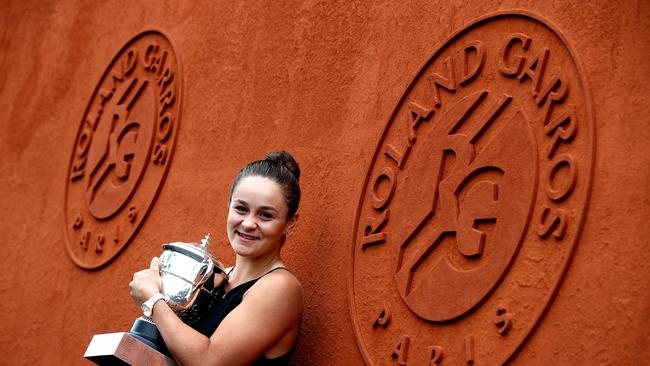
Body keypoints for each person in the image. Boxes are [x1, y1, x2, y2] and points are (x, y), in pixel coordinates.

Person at [129, 151, 304, 366]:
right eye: (241, 209)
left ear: (290, 222)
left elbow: (209, 362)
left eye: (265, 215)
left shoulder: (280, 288)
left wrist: (153, 299)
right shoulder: (219, 278)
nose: (248, 223)